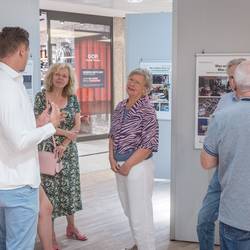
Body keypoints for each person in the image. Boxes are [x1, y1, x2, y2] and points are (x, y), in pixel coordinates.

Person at [0, 27, 60, 250]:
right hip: (17, 184)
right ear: (22, 50)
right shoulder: (7, 86)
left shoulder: (10, 83)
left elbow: (8, 131)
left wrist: (38, 123)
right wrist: (51, 127)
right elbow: (18, 142)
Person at [34, 63, 87, 250]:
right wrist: (64, 134)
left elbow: (77, 125)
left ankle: (72, 227)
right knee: (50, 193)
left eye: (64, 75)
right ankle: (52, 236)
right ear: (51, 76)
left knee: (70, 190)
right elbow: (38, 125)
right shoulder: (41, 97)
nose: (59, 78)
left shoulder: (72, 98)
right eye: (56, 74)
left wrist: (65, 144)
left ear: (68, 79)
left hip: (68, 152)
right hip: (47, 150)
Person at [196, 58, 246, 250]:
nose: (231, 82)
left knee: (238, 227)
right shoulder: (225, 101)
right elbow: (214, 137)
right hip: (222, 172)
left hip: (242, 173)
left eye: (234, 77)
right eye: (229, 77)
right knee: (204, 219)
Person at [109, 68, 159, 250]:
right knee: (129, 209)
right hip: (120, 165)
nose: (131, 84)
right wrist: (111, 158)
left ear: (145, 89)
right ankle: (139, 244)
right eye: (130, 80)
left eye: (137, 82)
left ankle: (147, 246)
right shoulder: (121, 106)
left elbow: (148, 145)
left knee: (140, 213)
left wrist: (128, 164)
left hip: (137, 166)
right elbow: (112, 135)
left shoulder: (147, 110)